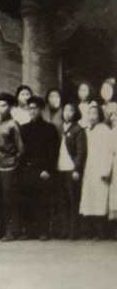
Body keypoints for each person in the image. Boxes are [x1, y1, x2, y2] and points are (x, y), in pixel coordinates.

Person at [20, 96, 60, 240]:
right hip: (28, 169)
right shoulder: (24, 128)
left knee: (42, 201)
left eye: (35, 108)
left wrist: (47, 169)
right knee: (27, 200)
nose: (32, 111)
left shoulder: (50, 129)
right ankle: (29, 231)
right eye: (30, 108)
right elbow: (22, 151)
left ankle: (43, 231)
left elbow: (53, 152)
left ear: (41, 109)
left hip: (43, 170)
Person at [52, 102, 86, 240]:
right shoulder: (59, 128)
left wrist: (77, 169)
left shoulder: (78, 130)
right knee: (62, 201)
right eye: (65, 110)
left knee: (73, 201)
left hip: (71, 169)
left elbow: (81, 152)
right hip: (60, 168)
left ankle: (74, 231)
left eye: (71, 110)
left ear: (75, 113)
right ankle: (64, 230)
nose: (67, 113)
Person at [0, 93, 24, 241]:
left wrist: (15, 161)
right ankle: (2, 229)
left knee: (9, 198)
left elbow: (20, 148)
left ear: (10, 107)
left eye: (4, 105)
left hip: (10, 165)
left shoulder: (13, 125)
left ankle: (13, 230)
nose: (1, 108)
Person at [79, 103, 112, 239]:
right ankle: (91, 231)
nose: (92, 116)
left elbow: (109, 152)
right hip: (89, 169)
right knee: (90, 200)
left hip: (100, 169)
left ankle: (101, 232)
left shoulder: (105, 130)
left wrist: (106, 170)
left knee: (100, 200)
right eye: (90, 113)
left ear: (99, 116)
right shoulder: (87, 130)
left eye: (95, 114)